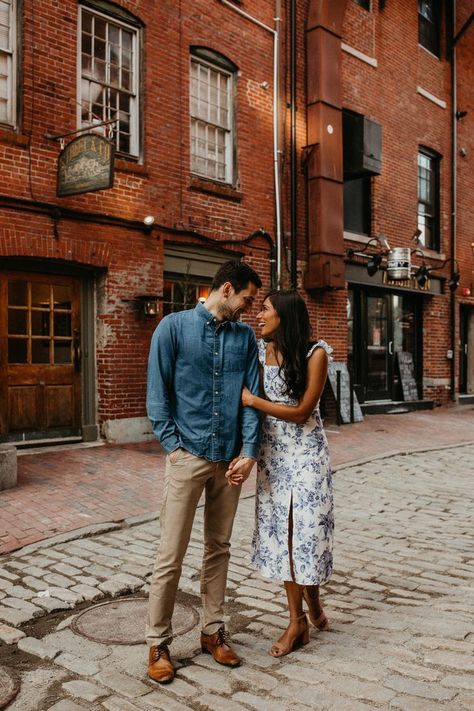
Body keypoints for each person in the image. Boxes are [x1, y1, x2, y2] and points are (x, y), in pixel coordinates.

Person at [145, 259, 262, 683]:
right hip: (188, 456)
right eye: (247, 299)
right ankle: (157, 642)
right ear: (226, 289)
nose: (249, 308)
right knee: (170, 555)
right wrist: (173, 449)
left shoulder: (246, 338)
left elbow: (251, 399)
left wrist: (249, 452)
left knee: (219, 547)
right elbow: (157, 396)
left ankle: (213, 632)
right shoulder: (172, 329)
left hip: (229, 460)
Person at [227, 289, 333, 657]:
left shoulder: (315, 353)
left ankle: (314, 606)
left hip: (306, 456)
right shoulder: (259, 351)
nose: (259, 316)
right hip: (273, 456)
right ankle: (296, 621)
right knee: (285, 537)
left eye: (266, 310)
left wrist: (254, 400)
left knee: (303, 533)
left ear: (284, 316)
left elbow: (303, 411)